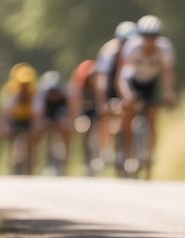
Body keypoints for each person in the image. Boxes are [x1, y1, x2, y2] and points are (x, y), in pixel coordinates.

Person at [115, 14, 177, 175]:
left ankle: (149, 155)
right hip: (133, 81)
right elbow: (122, 77)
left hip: (150, 83)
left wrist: (169, 94)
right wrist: (127, 96)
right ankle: (128, 154)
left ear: (158, 37)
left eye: (153, 37)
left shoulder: (165, 49)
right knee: (129, 112)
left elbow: (168, 74)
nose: (149, 41)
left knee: (152, 114)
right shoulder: (132, 48)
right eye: (146, 37)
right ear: (140, 37)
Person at [94, 20, 137, 170]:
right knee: (106, 113)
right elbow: (102, 80)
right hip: (111, 83)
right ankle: (105, 150)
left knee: (131, 111)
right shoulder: (109, 52)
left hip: (129, 83)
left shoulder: (137, 51)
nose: (127, 45)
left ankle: (129, 152)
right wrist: (102, 103)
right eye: (124, 42)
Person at [0, 62, 39, 174]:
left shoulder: (35, 93)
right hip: (15, 118)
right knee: (11, 138)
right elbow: (6, 114)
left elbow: (37, 114)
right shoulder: (11, 92)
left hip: (29, 119)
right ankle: (11, 167)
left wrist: (36, 128)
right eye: (22, 83)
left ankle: (31, 169)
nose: (25, 86)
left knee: (32, 140)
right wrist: (4, 127)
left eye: (27, 83)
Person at [33, 69, 72, 174]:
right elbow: (39, 114)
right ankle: (40, 162)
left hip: (59, 113)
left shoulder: (64, 97)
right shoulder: (42, 97)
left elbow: (69, 113)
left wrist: (66, 123)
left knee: (65, 129)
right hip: (47, 114)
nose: (54, 95)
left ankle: (65, 163)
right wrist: (40, 124)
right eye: (51, 92)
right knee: (40, 131)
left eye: (56, 91)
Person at [68, 57, 102, 173]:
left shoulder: (99, 84)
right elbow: (75, 103)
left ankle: (99, 155)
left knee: (100, 127)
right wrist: (76, 116)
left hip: (95, 110)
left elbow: (100, 100)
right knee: (84, 129)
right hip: (83, 111)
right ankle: (86, 158)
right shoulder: (80, 85)